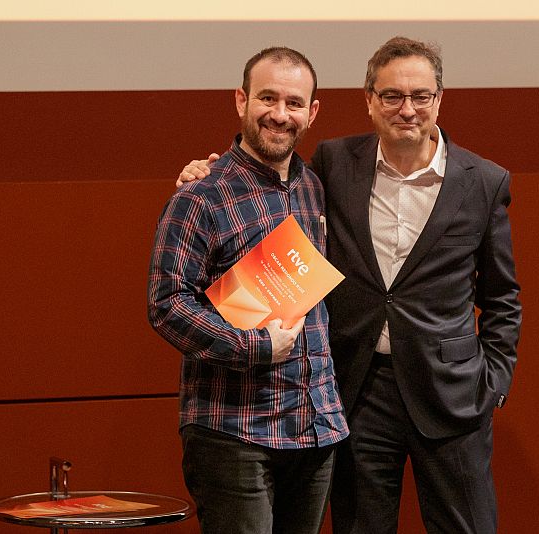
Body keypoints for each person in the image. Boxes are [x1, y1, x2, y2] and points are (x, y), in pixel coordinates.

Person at [178, 37, 522, 534]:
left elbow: (502, 297)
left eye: (420, 96)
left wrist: (493, 384)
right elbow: (266, 181)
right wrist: (206, 170)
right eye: (392, 96)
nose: (407, 109)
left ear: (439, 100)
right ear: (369, 100)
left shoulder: (483, 180)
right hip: (359, 391)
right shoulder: (334, 164)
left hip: (454, 396)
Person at [148, 47, 348, 534]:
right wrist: (257, 346)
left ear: (312, 112)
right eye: (267, 98)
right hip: (234, 431)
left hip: (314, 427)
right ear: (241, 100)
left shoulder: (314, 188)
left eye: (294, 103)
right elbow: (166, 303)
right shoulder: (199, 194)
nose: (280, 115)